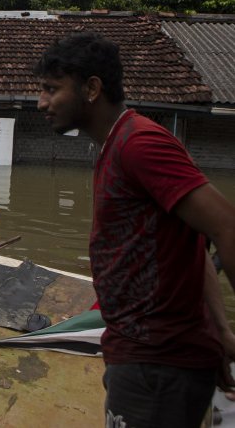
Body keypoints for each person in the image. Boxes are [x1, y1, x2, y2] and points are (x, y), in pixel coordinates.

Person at [34, 31, 235, 427]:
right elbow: (196, 244)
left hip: (158, 362)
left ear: (92, 88)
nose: (41, 102)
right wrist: (221, 334)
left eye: (51, 89)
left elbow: (227, 226)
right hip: (144, 356)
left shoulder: (139, 144)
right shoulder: (115, 144)